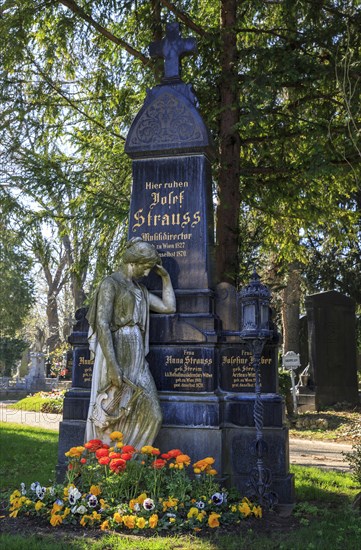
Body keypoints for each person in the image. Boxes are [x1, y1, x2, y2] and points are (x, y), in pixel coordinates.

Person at [85, 238, 176, 448]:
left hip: (136, 355)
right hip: (115, 351)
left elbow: (168, 307)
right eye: (145, 268)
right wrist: (113, 365)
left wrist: (165, 277)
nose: (146, 274)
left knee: (154, 415)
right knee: (109, 415)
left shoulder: (140, 290)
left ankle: (131, 462)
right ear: (133, 262)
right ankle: (104, 465)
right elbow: (102, 324)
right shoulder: (111, 284)